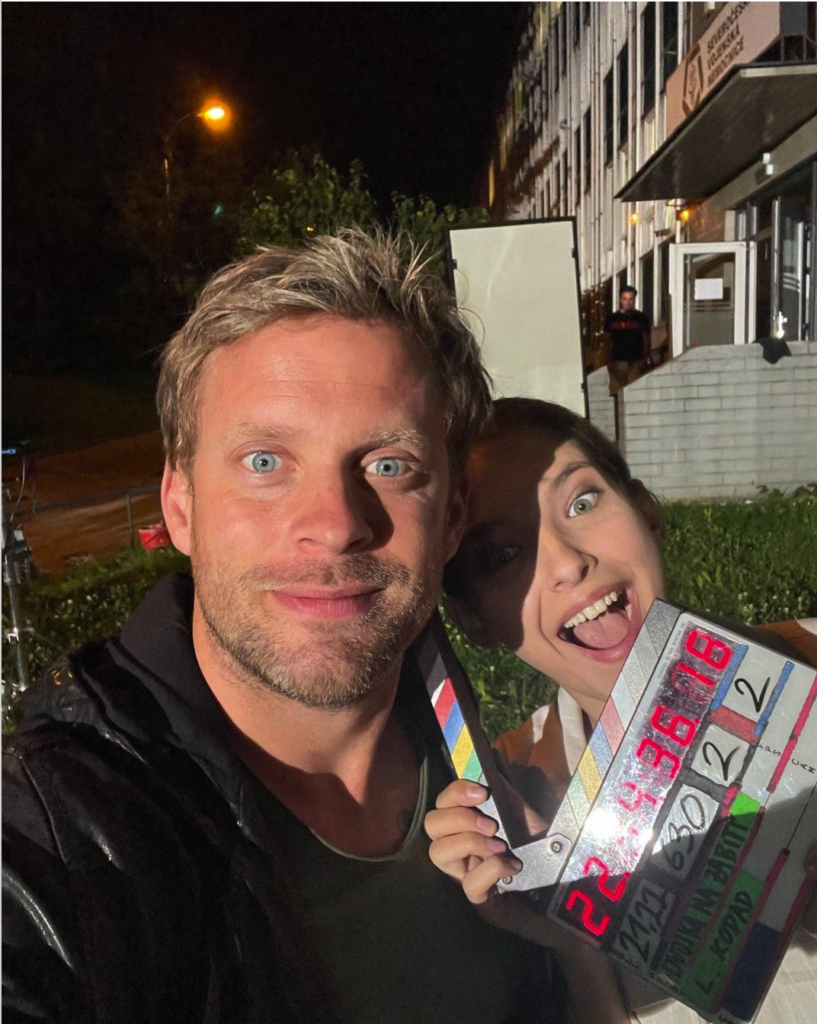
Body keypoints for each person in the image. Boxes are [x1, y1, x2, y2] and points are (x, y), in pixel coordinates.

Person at [4, 233, 579, 1024]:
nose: (335, 525)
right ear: (179, 505)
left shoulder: (461, 737)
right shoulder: (51, 844)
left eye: (388, 465)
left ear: (450, 517)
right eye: (265, 462)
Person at [429, 397, 817, 1023]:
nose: (567, 562)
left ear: (646, 510)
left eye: (581, 502)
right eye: (502, 555)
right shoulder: (513, 811)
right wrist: (569, 940)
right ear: (474, 621)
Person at [606, 285, 652, 395]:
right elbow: (606, 341)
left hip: (635, 361)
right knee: (616, 393)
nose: (628, 302)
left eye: (630, 299)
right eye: (625, 299)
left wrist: (643, 360)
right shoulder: (612, 319)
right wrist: (608, 361)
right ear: (620, 299)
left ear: (634, 299)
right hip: (617, 362)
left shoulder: (642, 318)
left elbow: (646, 339)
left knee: (633, 393)